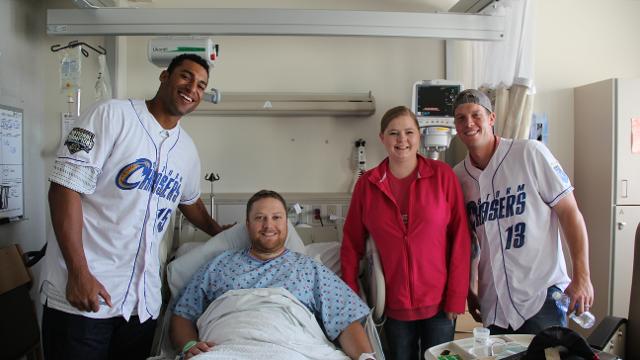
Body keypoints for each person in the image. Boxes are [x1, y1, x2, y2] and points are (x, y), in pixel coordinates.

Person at [41, 54, 233, 359]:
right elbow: (64, 188)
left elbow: (189, 200)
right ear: (164, 77)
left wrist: (216, 230)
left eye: (201, 85)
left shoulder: (186, 149)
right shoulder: (112, 116)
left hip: (140, 307)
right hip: (85, 297)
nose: (192, 88)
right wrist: (79, 273)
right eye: (185, 76)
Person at [170, 190, 376, 360]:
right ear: (247, 224)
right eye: (260, 218)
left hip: (293, 349)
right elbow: (183, 313)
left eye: (276, 217)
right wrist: (189, 344)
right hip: (225, 347)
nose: (269, 225)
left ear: (286, 223)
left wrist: (366, 358)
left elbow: (345, 321)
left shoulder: (308, 268)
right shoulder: (219, 264)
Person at [452, 89, 594, 335]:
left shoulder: (529, 153)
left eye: (476, 115)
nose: (469, 123)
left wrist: (582, 276)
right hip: (494, 303)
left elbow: (570, 212)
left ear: (491, 118)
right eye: (461, 118)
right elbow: (469, 241)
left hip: (542, 297)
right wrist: (469, 289)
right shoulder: (458, 176)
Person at [340, 106, 471, 359]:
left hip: (441, 306)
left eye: (409, 132)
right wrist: (351, 296)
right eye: (394, 133)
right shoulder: (367, 185)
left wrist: (456, 296)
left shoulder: (442, 176)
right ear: (382, 138)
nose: (402, 140)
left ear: (419, 136)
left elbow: (460, 239)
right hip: (393, 307)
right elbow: (351, 244)